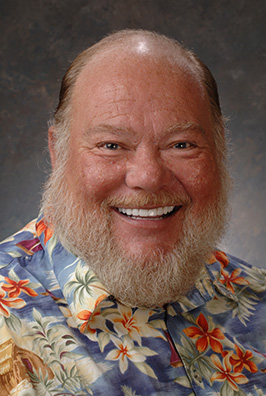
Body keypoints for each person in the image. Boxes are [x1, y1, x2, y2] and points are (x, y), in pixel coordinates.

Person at [0, 29, 265, 396]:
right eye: (111, 145)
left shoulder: (258, 297)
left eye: (182, 144)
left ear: (219, 151)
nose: (148, 177)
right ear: (57, 153)